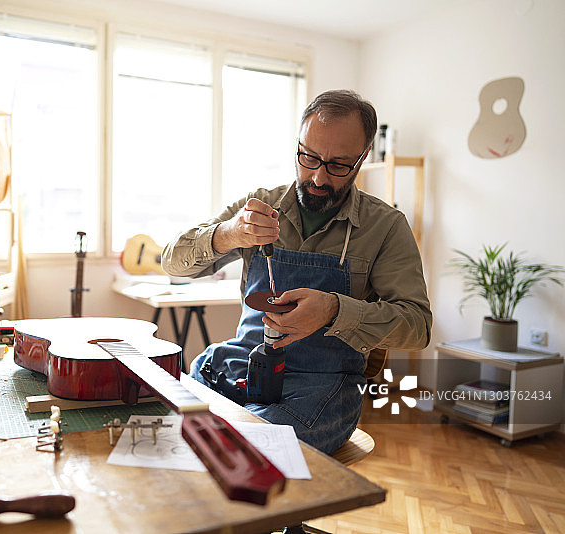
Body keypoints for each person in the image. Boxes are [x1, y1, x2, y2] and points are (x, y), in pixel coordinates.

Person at [161, 89, 432, 454]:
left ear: (363, 158)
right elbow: (172, 262)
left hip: (320, 389)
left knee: (247, 451)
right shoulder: (260, 205)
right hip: (243, 365)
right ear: (298, 145)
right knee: (164, 430)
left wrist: (335, 311)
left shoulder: (384, 227)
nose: (318, 178)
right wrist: (228, 234)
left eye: (338, 165)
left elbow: (417, 327)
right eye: (309, 157)